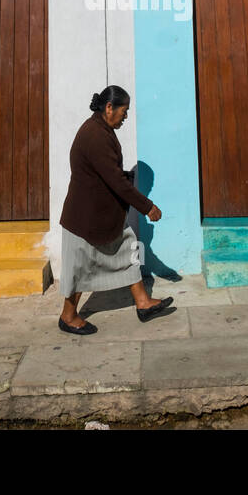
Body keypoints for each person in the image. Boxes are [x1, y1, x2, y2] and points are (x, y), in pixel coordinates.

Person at [57, 85, 173, 334]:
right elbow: (115, 181)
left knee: (130, 249)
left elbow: (107, 173)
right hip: (85, 218)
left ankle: (143, 303)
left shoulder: (101, 130)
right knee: (79, 267)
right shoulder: (95, 135)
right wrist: (147, 205)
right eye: (124, 111)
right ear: (109, 107)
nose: (126, 117)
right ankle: (68, 316)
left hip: (102, 215)